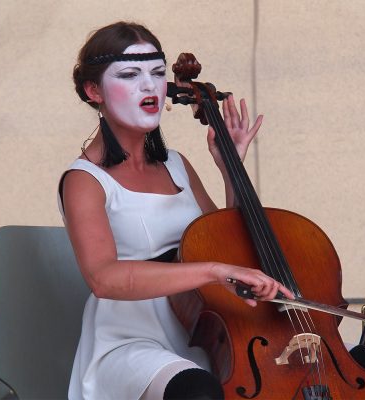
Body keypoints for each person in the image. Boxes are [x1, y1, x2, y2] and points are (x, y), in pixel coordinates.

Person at [59, 21, 294, 400]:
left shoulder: (177, 165)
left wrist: (230, 167)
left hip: (204, 334)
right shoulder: (84, 180)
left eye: (156, 72)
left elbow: (226, 244)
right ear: (93, 90)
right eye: (130, 74)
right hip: (130, 344)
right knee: (196, 392)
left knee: (363, 361)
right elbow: (103, 278)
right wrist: (214, 272)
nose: (149, 85)